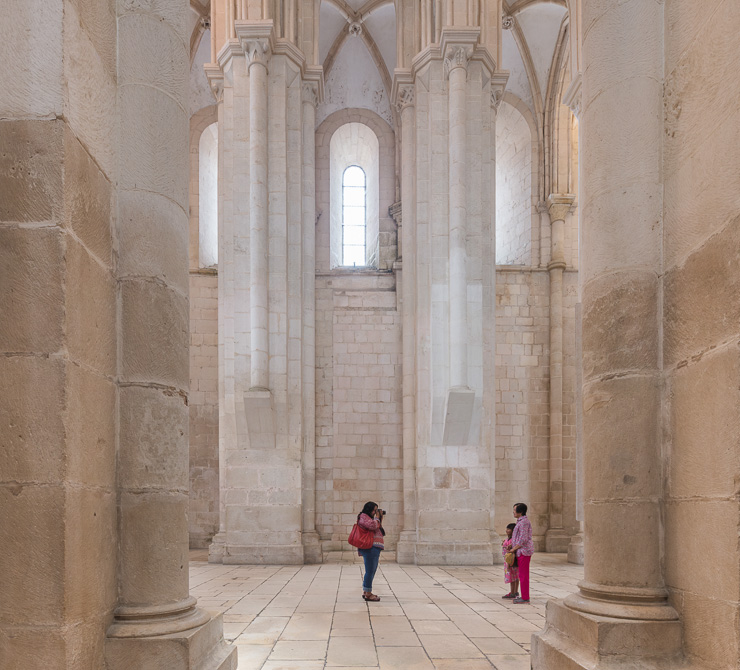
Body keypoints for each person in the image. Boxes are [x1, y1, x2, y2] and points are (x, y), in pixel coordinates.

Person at [356, 501, 385, 601]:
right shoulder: (363, 517)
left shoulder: (370, 518)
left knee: (371, 570)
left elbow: (378, 528)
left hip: (373, 547)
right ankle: (368, 594)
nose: (375, 512)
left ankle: (366, 590)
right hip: (370, 547)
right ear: (369, 509)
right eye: (374, 510)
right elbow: (372, 526)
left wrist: (379, 518)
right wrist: (377, 518)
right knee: (370, 571)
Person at [510, 502, 533, 604]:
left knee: (523, 575)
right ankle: (524, 596)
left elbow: (523, 539)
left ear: (521, 511)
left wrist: (514, 549)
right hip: (520, 551)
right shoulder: (521, 521)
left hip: (523, 552)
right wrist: (511, 545)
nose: (513, 512)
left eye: (515, 510)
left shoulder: (524, 522)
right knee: (522, 575)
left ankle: (525, 597)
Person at [501, 522, 519, 599]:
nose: (507, 530)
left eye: (509, 529)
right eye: (507, 529)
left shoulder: (513, 540)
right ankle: (515, 592)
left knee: (513, 577)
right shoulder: (509, 539)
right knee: (515, 576)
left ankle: (513, 592)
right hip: (508, 560)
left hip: (511, 560)